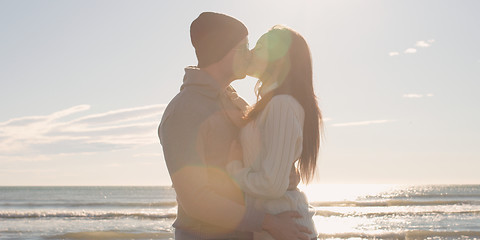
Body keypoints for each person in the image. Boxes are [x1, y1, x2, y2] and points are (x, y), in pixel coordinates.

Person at [158, 12, 312, 240]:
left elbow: (262, 157)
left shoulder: (234, 101)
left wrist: (283, 175)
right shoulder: (183, 111)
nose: (249, 54)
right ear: (222, 51)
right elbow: (196, 200)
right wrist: (269, 222)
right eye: (244, 47)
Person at [226, 25, 323, 240]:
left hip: (285, 227)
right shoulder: (272, 104)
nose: (250, 52)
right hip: (276, 225)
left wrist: (233, 171)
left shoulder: (282, 105)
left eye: (259, 47)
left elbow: (272, 184)